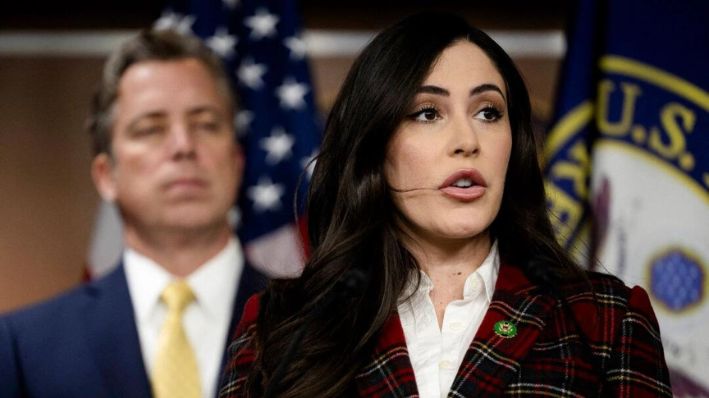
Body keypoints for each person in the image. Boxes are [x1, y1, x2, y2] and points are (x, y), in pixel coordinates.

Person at [218, 12, 672, 398]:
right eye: (428, 113)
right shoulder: (281, 325)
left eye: (489, 112)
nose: (467, 141)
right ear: (374, 146)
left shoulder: (606, 320)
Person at [0, 29, 265, 398]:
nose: (184, 146)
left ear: (237, 162)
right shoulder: (22, 346)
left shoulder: (322, 324)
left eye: (205, 124)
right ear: (106, 176)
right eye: (150, 129)